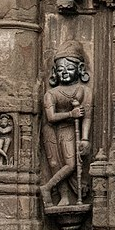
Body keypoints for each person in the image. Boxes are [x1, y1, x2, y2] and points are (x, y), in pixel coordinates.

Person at [40, 43, 92, 206]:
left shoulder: (84, 91)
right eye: (61, 68)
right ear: (55, 71)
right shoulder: (51, 93)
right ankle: (63, 196)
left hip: (70, 130)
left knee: (71, 164)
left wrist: (85, 138)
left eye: (69, 68)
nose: (64, 72)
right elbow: (50, 117)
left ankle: (47, 187)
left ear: (80, 68)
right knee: (56, 163)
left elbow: (87, 116)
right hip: (53, 129)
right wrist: (71, 114)